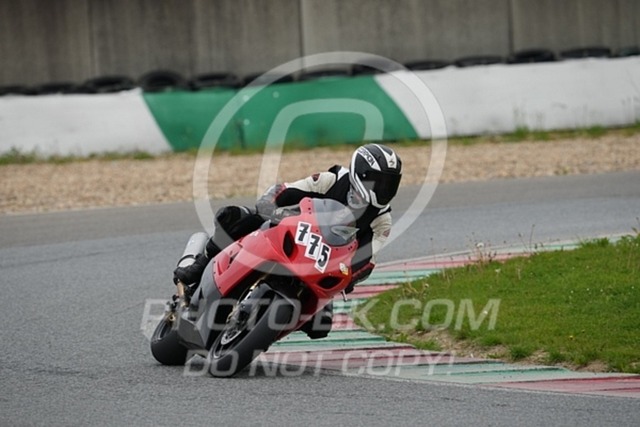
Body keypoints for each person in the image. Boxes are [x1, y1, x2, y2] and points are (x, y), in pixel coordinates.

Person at [174, 143, 402, 338]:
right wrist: (270, 206)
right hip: (294, 232)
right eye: (380, 182)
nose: (385, 189)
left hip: (321, 264)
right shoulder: (333, 179)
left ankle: (265, 327)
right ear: (360, 174)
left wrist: (349, 277)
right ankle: (200, 265)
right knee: (234, 217)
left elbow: (366, 261)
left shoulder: (382, 221)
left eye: (390, 184)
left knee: (320, 326)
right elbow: (286, 191)